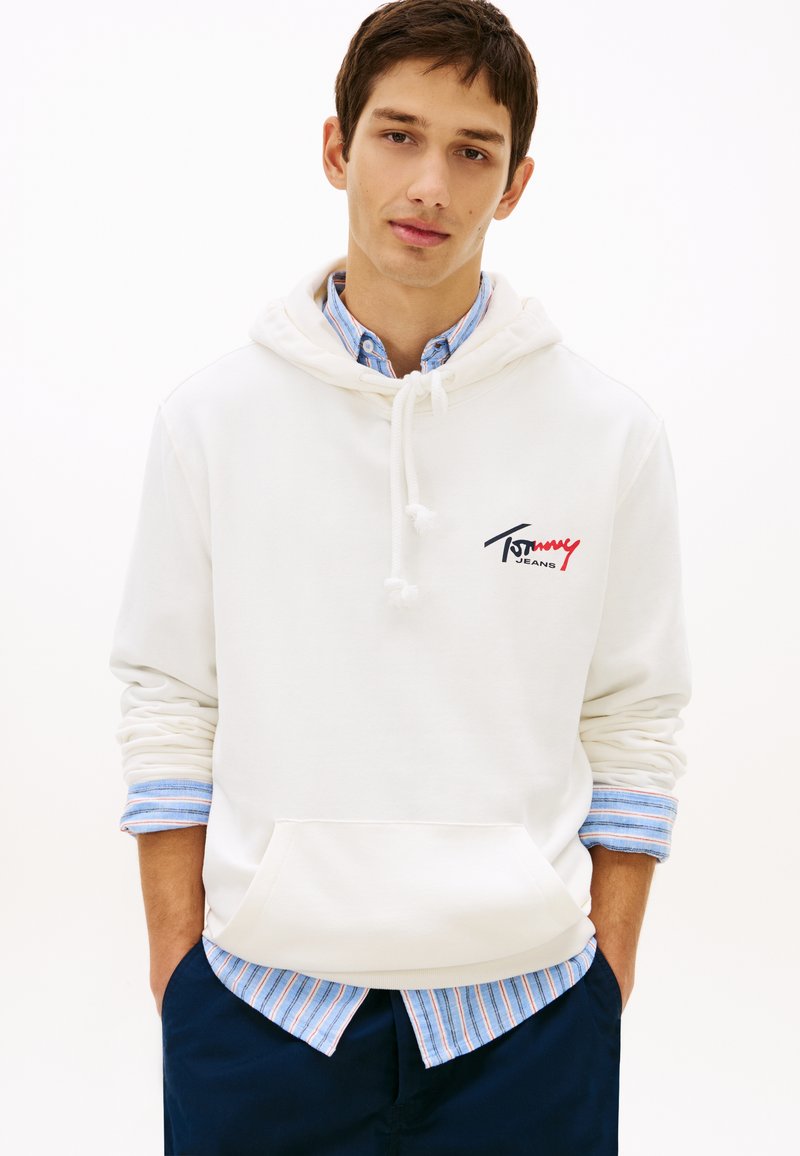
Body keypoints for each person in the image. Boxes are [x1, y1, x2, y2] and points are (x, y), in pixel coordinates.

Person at [108, 1, 691, 1152]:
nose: (429, 184)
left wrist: (605, 973)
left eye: (472, 151)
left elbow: (634, 715)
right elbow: (168, 697)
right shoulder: (211, 421)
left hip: (528, 1021)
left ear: (513, 183)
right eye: (397, 135)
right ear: (337, 148)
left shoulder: (607, 434)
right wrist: (178, 970)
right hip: (259, 1012)